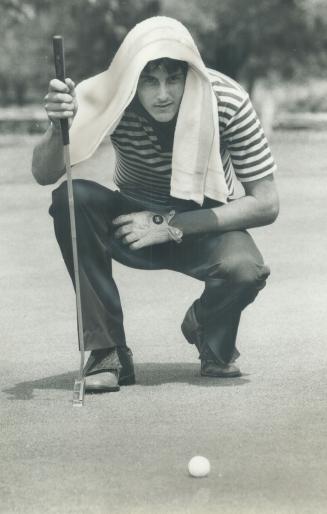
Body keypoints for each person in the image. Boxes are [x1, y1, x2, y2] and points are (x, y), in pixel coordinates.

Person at [31, 16, 279, 392]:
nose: (162, 93)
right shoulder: (111, 97)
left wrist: (167, 222)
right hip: (132, 222)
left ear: (190, 74)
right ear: (132, 78)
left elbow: (266, 203)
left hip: (205, 222)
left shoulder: (226, 100)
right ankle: (107, 352)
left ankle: (208, 330)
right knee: (71, 196)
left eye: (173, 79)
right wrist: (57, 126)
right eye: (149, 80)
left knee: (246, 270)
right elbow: (45, 172)